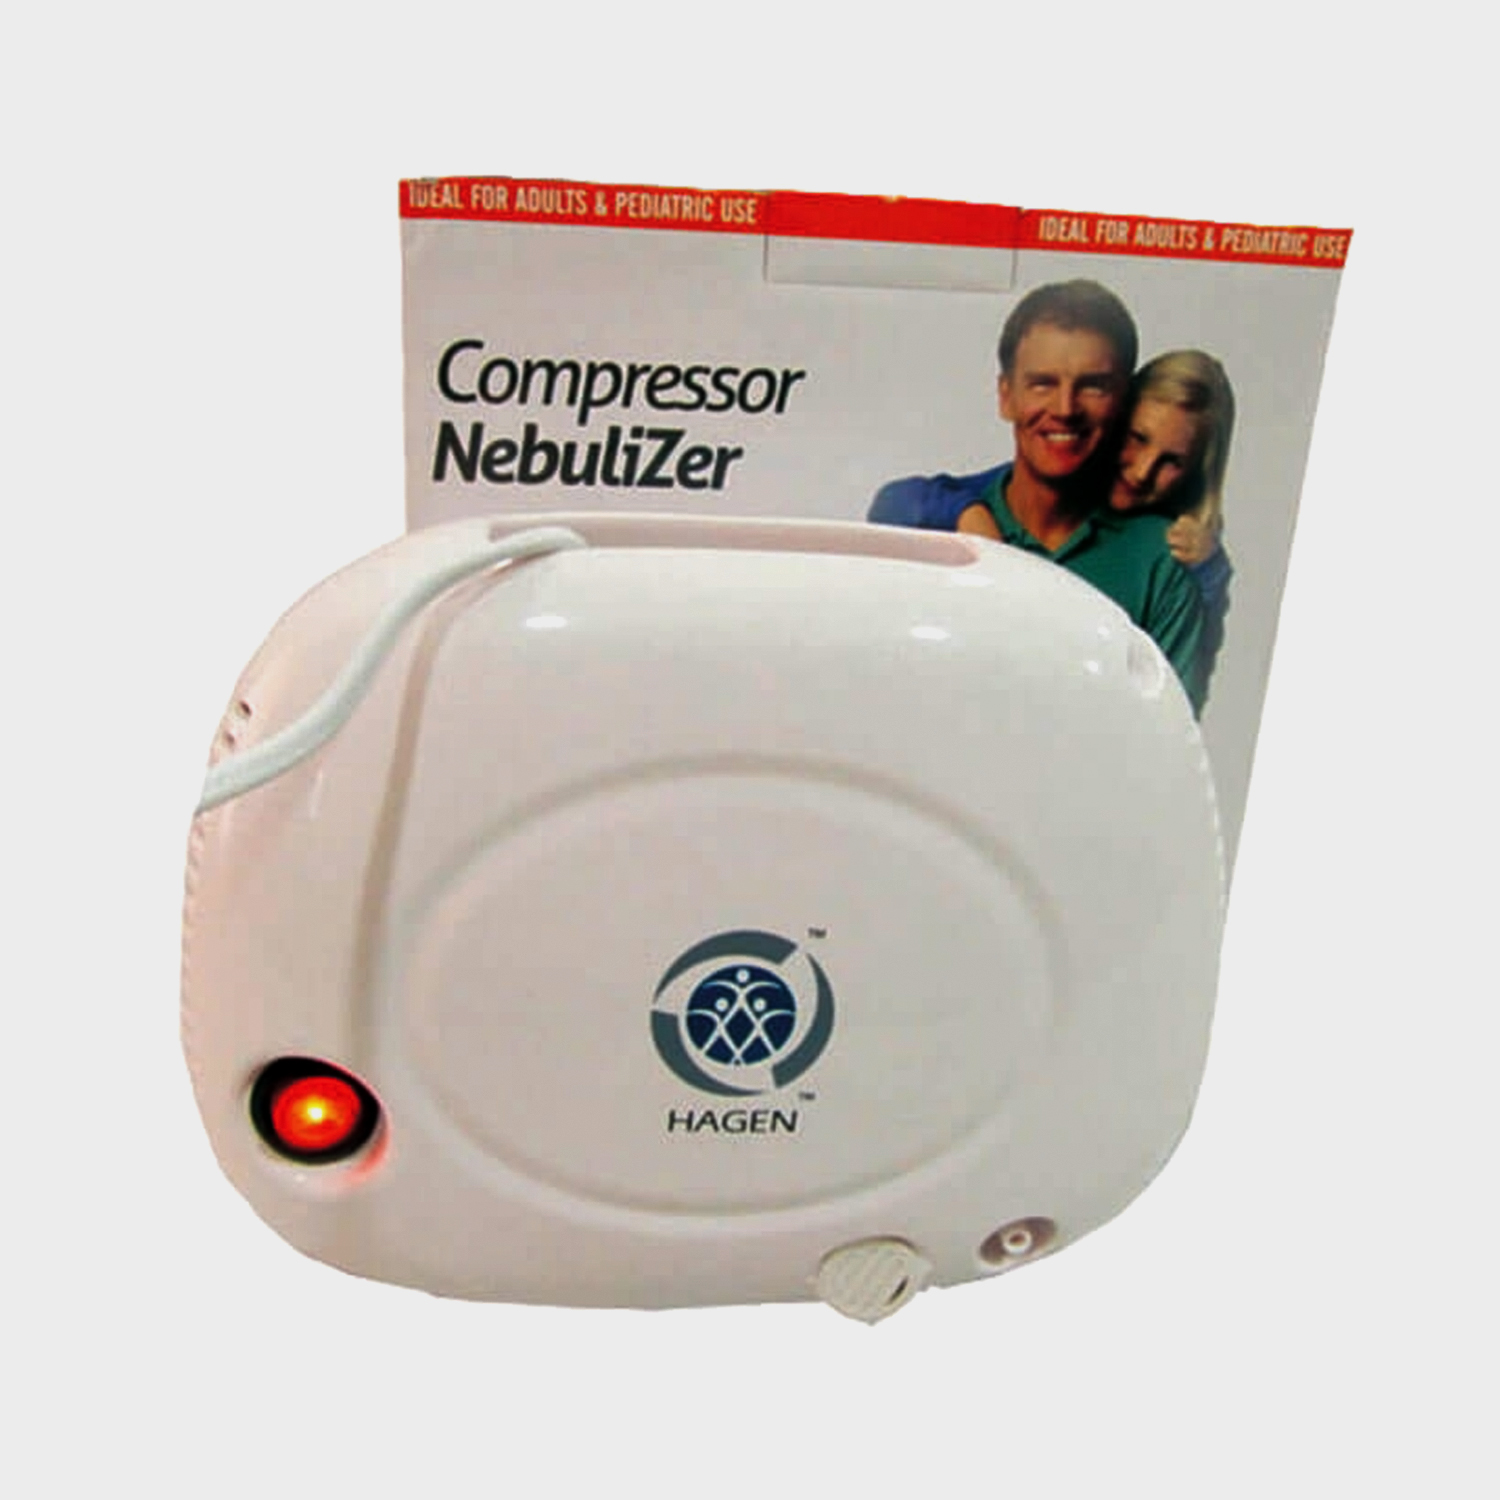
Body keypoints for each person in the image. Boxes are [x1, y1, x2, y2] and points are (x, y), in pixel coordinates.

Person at [869, 281, 1207, 713]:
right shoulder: (932, 525)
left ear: (1125, 402)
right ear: (1006, 396)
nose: (1065, 408)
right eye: (1042, 384)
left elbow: (1169, 737)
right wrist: (968, 514)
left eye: (1093, 386)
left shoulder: (1162, 566)